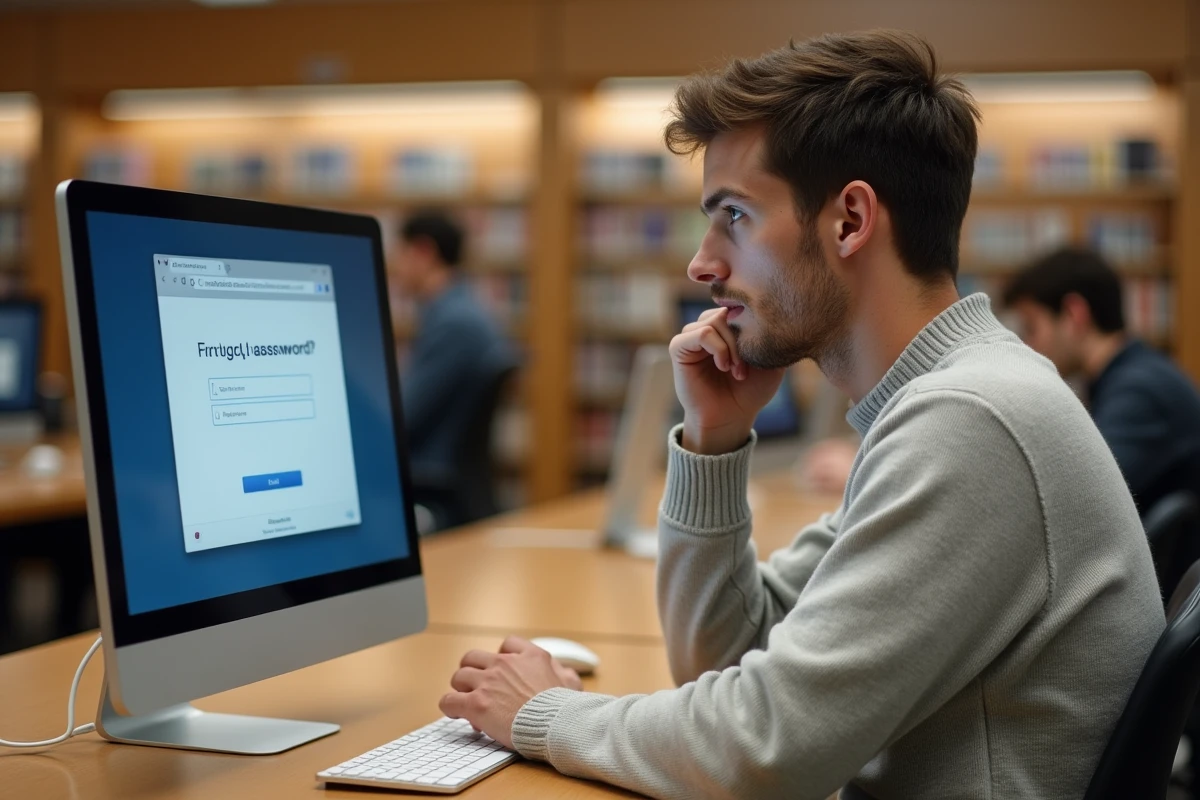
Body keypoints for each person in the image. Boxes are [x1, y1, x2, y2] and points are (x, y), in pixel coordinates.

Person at [438, 31, 1163, 799]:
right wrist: (713, 442)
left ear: (850, 220)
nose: (702, 263)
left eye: (735, 216)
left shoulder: (971, 420)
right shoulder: (944, 400)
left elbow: (766, 751)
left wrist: (546, 715)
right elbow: (729, 662)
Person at [1004, 247, 1200, 520]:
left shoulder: (1139, 391)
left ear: (1073, 314)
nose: (1027, 344)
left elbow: (1080, 496)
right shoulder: (1133, 375)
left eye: (1031, 327)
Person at [394, 212, 518, 520]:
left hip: (432, 483)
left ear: (423, 251)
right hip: (446, 478)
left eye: (400, 253)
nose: (395, 267)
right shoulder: (461, 310)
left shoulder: (454, 324)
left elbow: (403, 418)